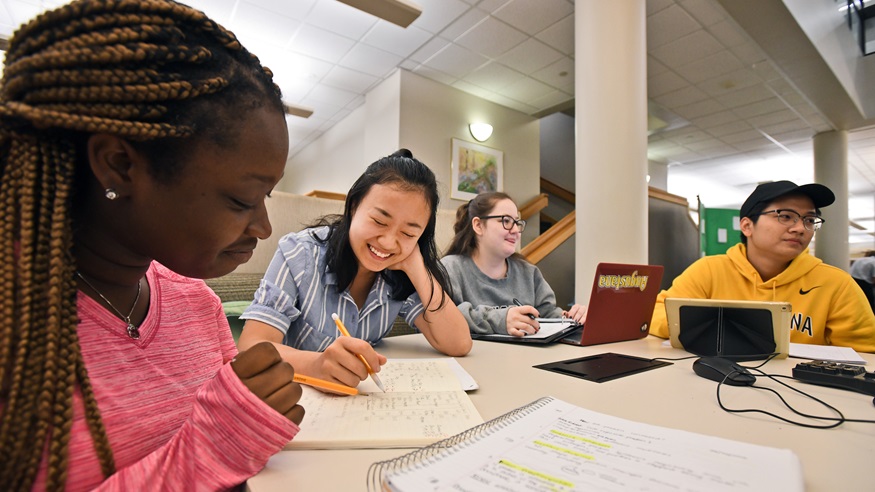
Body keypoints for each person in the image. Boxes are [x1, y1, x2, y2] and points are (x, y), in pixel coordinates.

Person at [0, 1, 307, 489]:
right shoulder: (15, 326)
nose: (264, 226)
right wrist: (219, 441)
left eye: (265, 196)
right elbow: (219, 442)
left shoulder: (196, 301)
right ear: (120, 164)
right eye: (242, 199)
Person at [237, 150, 472, 389]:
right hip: (292, 396)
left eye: (409, 233)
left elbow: (459, 343)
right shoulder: (300, 253)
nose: (389, 242)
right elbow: (251, 346)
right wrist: (316, 364)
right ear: (353, 206)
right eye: (379, 221)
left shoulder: (400, 271)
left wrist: (417, 267)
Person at [650, 180, 875, 353]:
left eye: (809, 220)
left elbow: (866, 351)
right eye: (786, 216)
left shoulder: (835, 283)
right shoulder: (709, 270)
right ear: (747, 226)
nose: (800, 228)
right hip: (718, 380)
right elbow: (657, 313)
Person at [440, 192, 586, 337]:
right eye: (506, 221)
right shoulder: (450, 269)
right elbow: (440, 318)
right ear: (478, 225)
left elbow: (548, 315)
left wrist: (573, 318)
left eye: (517, 222)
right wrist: (500, 320)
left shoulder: (529, 272)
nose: (516, 230)